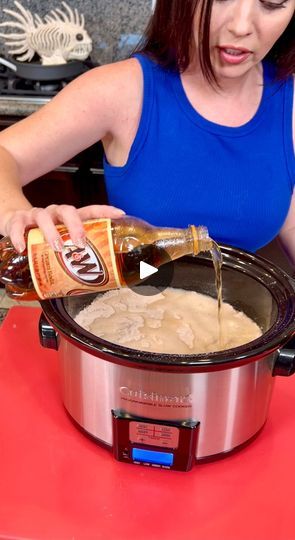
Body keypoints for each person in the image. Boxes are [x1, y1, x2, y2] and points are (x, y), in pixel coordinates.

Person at [0, 0, 294, 261]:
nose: (242, 26)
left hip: (241, 313)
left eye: (272, 2)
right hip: (136, 301)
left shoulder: (288, 103)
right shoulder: (122, 89)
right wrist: (16, 215)